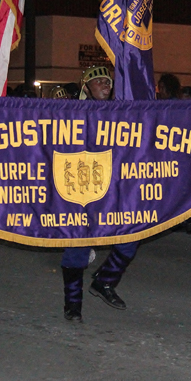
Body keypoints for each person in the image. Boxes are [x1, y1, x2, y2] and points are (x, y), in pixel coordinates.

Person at [59, 66, 139, 322]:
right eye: (98, 81)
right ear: (86, 87)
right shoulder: (70, 114)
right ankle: (72, 305)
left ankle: (104, 281)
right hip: (81, 189)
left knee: (132, 235)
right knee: (77, 250)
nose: (106, 84)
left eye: (108, 80)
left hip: (112, 189)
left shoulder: (120, 112)